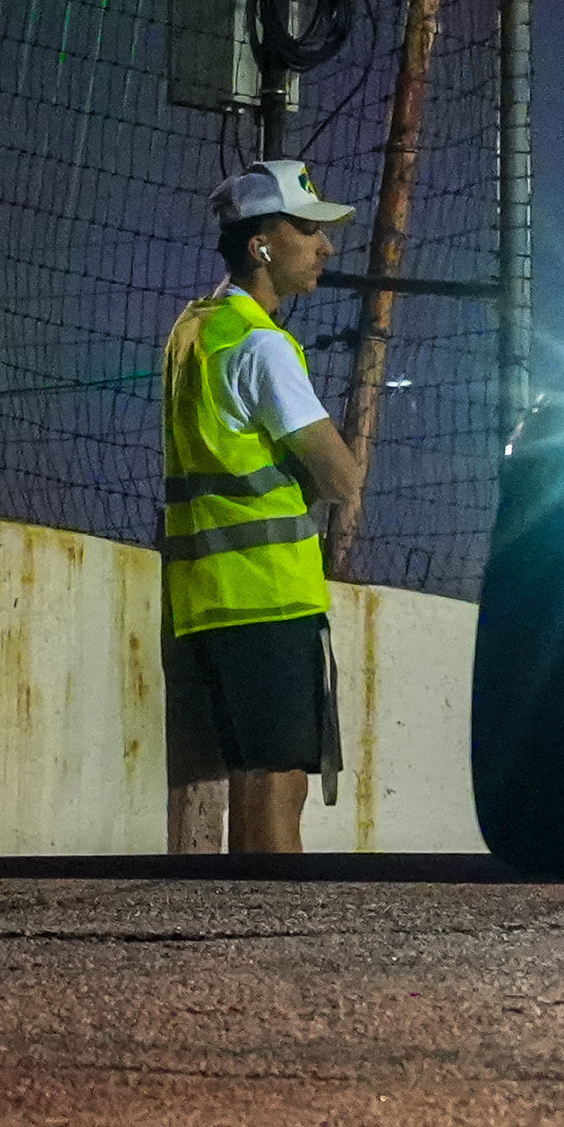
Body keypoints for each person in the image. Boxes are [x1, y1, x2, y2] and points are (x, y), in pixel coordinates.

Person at [161, 161, 366, 855]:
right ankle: (280, 921)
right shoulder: (263, 346)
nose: (325, 246)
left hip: (205, 599)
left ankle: (247, 917)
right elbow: (341, 476)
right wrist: (331, 472)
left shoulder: (195, 330)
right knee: (280, 784)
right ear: (262, 246)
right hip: (270, 594)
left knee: (251, 777)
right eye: (307, 230)